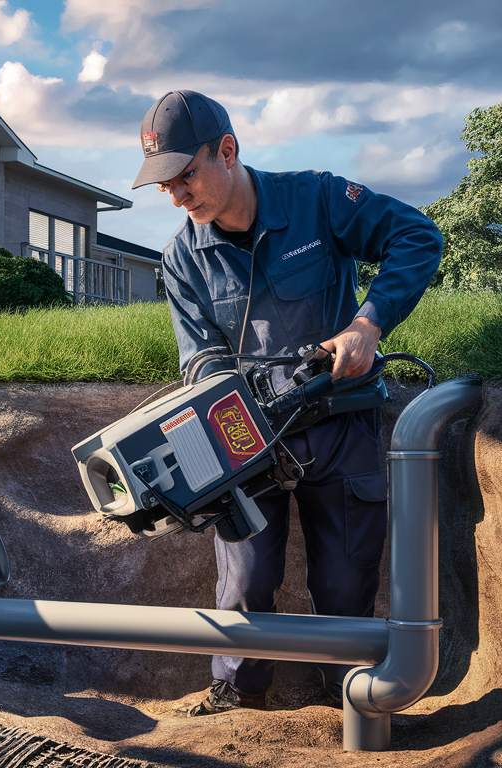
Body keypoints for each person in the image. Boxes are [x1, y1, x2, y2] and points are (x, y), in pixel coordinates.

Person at [131, 90, 441, 713]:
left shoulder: (318, 199)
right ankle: (238, 694)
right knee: (243, 578)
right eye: (163, 185)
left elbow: (417, 236)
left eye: (185, 175)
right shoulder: (181, 258)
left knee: (345, 578)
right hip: (245, 439)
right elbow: (201, 360)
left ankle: (347, 695)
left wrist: (368, 323)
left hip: (341, 421)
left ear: (227, 150)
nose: (176, 196)